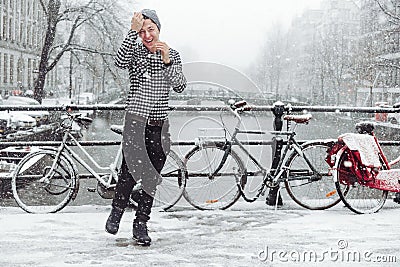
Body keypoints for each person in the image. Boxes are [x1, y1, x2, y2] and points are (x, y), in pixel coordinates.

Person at [105, 9, 186, 246]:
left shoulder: (171, 54)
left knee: (151, 178)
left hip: (159, 126)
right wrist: (132, 32)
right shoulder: (135, 51)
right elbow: (119, 61)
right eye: (142, 31)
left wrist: (168, 60)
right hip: (135, 122)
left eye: (151, 29)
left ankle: (141, 223)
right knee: (129, 171)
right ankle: (117, 211)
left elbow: (180, 85)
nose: (147, 35)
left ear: (159, 29)